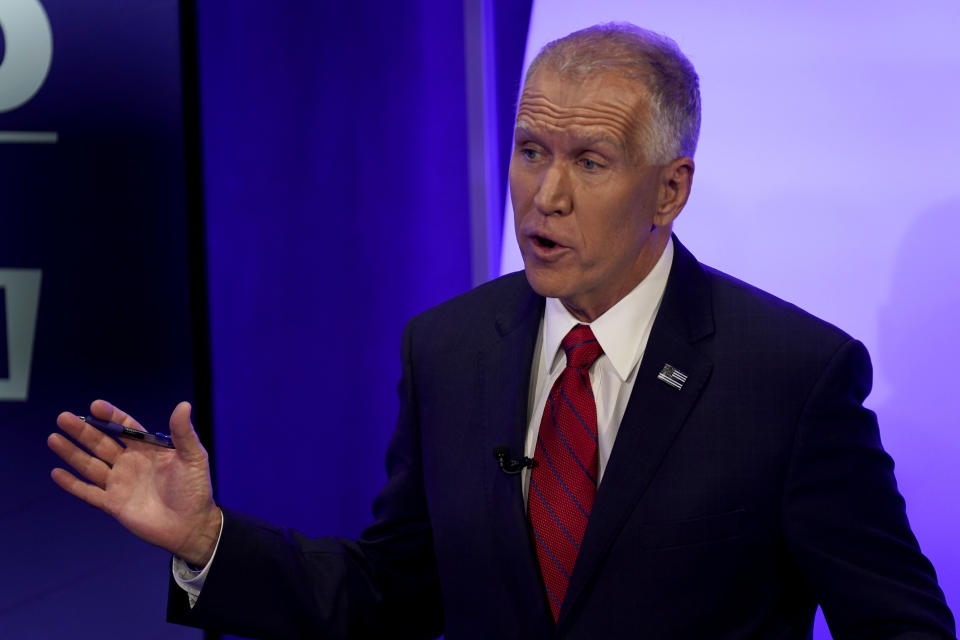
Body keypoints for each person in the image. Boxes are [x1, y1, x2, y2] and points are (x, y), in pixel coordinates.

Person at [48, 23, 955, 640]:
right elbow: (394, 595)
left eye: (590, 162)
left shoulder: (791, 377)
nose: (545, 196)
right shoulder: (448, 349)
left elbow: (902, 626)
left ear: (669, 191)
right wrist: (209, 538)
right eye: (531, 151)